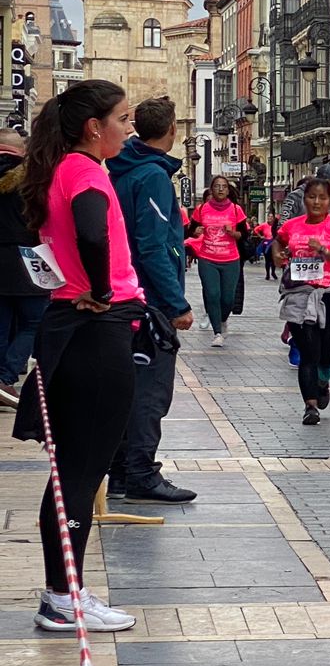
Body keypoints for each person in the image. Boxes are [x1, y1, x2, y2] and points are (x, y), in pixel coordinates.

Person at [14, 81, 145, 633]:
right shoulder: (87, 172)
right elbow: (92, 230)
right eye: (122, 118)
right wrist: (101, 285)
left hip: (70, 325)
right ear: (95, 125)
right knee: (81, 467)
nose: (128, 127)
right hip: (95, 329)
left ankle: (62, 591)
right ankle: (65, 596)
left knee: (70, 469)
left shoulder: (60, 169)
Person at [106, 96, 197, 504]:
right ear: (172, 130)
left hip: (124, 294)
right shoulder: (153, 176)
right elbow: (154, 245)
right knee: (151, 390)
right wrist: (176, 303)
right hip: (149, 301)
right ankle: (142, 472)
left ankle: (123, 471)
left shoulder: (121, 172)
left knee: (131, 386)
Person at [273, 176, 330, 425]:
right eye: (312, 197)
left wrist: (324, 251)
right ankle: (310, 406)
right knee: (308, 353)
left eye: (322, 197)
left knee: (327, 354)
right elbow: (278, 242)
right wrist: (279, 255)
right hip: (300, 294)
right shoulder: (293, 226)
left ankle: (323, 379)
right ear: (304, 199)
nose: (317, 202)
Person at [0, 130, 49, 409]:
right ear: (20, 150)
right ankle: (5, 377)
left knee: (2, 324)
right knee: (35, 321)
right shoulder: (32, 179)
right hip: (26, 259)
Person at [187, 172, 249, 346]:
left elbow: (244, 235)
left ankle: (222, 320)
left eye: (224, 187)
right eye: (217, 186)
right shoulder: (202, 209)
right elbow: (190, 230)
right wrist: (196, 232)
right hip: (207, 258)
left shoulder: (236, 209)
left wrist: (233, 233)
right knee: (213, 295)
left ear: (228, 191)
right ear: (211, 190)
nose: (220, 189)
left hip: (230, 259)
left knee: (227, 299)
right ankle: (217, 333)